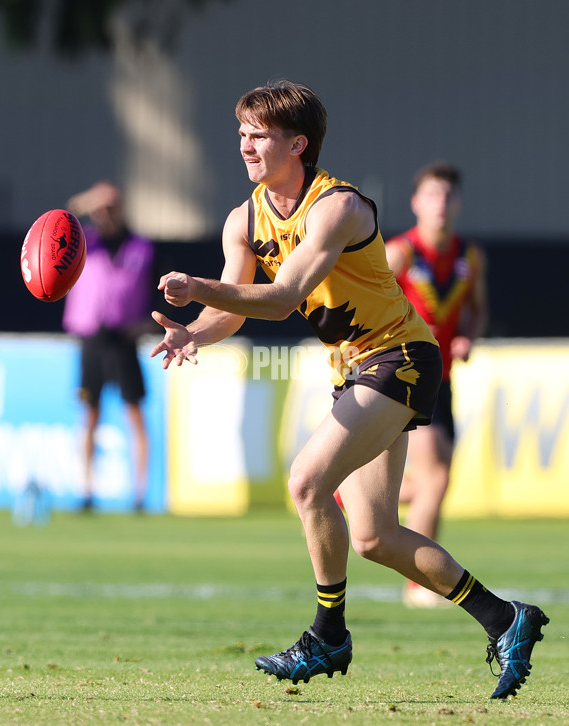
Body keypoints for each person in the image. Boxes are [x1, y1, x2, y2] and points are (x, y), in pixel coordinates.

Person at [149, 80, 548, 699]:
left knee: (307, 481)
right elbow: (232, 312)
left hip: (401, 356)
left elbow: (280, 301)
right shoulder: (243, 219)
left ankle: (327, 633)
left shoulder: (337, 206)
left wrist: (198, 288)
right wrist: (195, 333)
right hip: (355, 367)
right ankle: (505, 617)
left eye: (259, 135)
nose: (245, 146)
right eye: (241, 134)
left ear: (298, 144)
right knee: (372, 537)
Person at [384, 162, 488, 608]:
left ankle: (348, 490)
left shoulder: (470, 257)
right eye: (432, 195)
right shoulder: (400, 253)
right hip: (406, 375)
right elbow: (370, 305)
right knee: (436, 477)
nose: (440, 204)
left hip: (444, 380)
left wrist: (470, 336)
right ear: (416, 203)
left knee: (434, 480)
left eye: (447, 196)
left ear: (457, 203)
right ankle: (419, 585)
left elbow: (478, 310)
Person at [63, 181, 154, 512]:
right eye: (99, 209)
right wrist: (89, 201)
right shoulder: (84, 243)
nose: (105, 214)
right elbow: (61, 217)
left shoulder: (141, 247)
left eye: (110, 207)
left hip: (124, 340)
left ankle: (140, 494)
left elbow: (159, 296)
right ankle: (86, 490)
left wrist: (145, 324)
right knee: (90, 413)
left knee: (135, 413)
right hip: (91, 338)